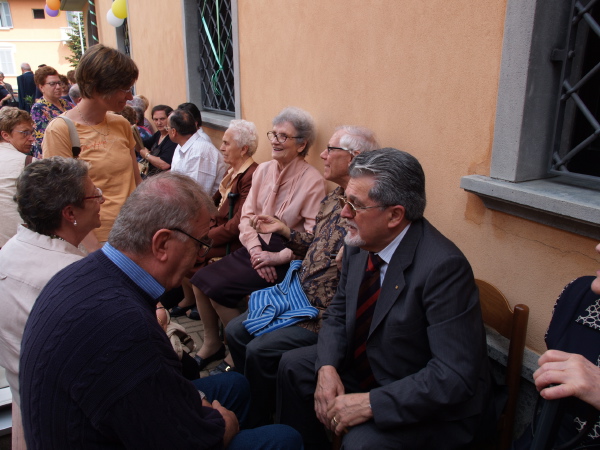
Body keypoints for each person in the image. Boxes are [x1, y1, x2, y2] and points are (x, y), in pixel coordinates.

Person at [19, 171, 303, 450]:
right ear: (162, 244)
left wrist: (195, 400)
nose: (201, 257)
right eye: (201, 244)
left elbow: (147, 386)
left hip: (94, 421)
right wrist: (223, 425)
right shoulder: (125, 328)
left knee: (236, 386)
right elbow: (190, 441)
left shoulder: (81, 272)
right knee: (284, 438)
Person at [277, 148, 493, 449]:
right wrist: (327, 367)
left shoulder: (444, 269)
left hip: (427, 402)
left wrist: (370, 404)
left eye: (355, 205)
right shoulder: (358, 243)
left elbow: (453, 376)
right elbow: (338, 312)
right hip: (374, 368)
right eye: (345, 201)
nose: (344, 214)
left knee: (361, 444)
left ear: (394, 215)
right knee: (293, 367)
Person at [225, 126, 379, 426]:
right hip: (297, 293)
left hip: (321, 313)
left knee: (259, 349)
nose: (322, 154)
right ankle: (257, 399)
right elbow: (315, 243)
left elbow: (376, 258)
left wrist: (356, 251)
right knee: (234, 331)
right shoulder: (333, 198)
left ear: (354, 157)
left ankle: (260, 421)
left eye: (330, 149)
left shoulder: (369, 207)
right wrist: (285, 231)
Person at [189, 106, 326, 371]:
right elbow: (246, 217)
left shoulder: (313, 181)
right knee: (199, 280)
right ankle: (212, 342)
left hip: (287, 256)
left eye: (283, 136)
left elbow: (313, 238)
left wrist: (276, 258)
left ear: (301, 145)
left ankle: (236, 351)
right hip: (255, 248)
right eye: (273, 134)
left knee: (218, 289)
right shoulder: (263, 170)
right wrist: (255, 251)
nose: (275, 141)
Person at [0, 157, 101, 450]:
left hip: (35, 407)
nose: (102, 200)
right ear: (69, 213)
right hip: (77, 424)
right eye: (94, 195)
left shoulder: (11, 250)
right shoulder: (75, 279)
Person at [42, 44, 142, 251]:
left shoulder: (121, 124)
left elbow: (136, 180)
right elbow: (61, 200)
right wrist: (96, 253)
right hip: (96, 241)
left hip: (133, 233)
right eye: (124, 89)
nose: (130, 97)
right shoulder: (60, 130)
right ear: (98, 88)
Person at [170, 119, 259, 319]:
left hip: (232, 242)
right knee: (179, 239)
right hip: (217, 233)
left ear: (243, 149)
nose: (221, 147)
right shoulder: (232, 171)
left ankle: (204, 301)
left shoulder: (251, 175)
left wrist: (205, 237)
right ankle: (195, 300)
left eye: (227, 143)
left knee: (187, 251)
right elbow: (212, 204)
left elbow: (237, 224)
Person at [168, 108, 226, 196]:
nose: (167, 130)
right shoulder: (182, 145)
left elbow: (197, 194)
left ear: (173, 132)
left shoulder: (199, 151)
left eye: (167, 128)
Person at [0, 107, 35, 247]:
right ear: (6, 135)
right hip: (17, 244)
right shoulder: (27, 163)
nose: (31, 138)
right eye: (25, 133)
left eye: (31, 133)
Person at [30, 66, 73, 158]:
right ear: (41, 87)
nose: (58, 87)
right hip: (54, 156)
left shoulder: (67, 104)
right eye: (52, 84)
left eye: (59, 83)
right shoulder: (38, 109)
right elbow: (43, 139)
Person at [140, 104, 177, 176]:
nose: (159, 123)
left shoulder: (173, 138)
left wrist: (147, 155)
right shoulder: (158, 134)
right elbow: (144, 144)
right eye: (156, 119)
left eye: (162, 119)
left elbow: (164, 164)